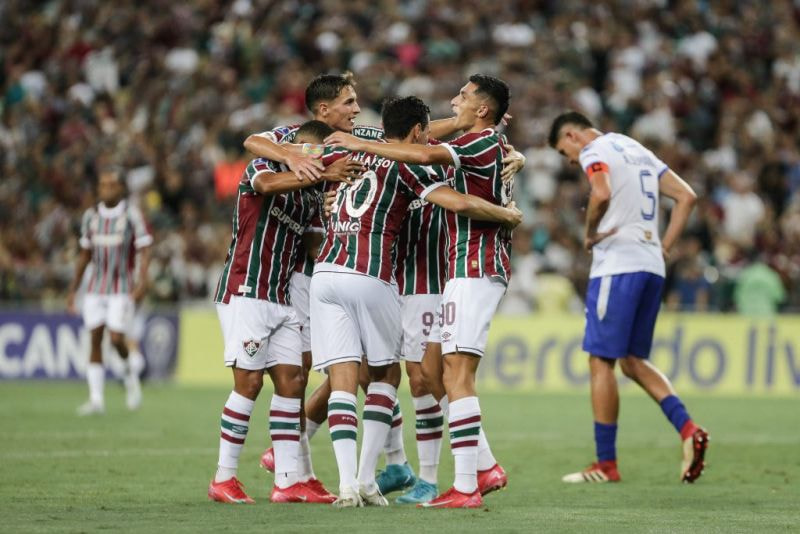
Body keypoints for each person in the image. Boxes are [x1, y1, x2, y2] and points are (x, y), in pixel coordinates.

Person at [253, 73, 526, 497]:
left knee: (417, 374)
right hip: (394, 275)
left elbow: (441, 149)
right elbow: (256, 142)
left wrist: (504, 166)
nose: (356, 110)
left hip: (410, 274)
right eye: (349, 102)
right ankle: (400, 469)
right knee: (398, 373)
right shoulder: (337, 143)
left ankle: (423, 474)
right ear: (324, 111)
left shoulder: (370, 149)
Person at [326, 74, 515, 508]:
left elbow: (433, 156)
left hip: (462, 270)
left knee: (444, 375)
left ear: (482, 109)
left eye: (463, 97)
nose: (455, 102)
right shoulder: (484, 146)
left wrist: (364, 146)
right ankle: (470, 473)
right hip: (445, 272)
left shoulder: (469, 147)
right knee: (437, 373)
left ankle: (460, 481)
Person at [547, 111, 709, 484]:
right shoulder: (637, 149)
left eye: (564, 151)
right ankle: (689, 429)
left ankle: (606, 464)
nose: (571, 161)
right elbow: (687, 197)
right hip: (651, 266)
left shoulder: (594, 149)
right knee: (633, 361)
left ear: (572, 135)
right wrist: (664, 247)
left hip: (617, 266)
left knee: (601, 361)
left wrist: (589, 232)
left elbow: (600, 192)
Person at [207, 120, 360, 504]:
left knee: (293, 381)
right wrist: (320, 174)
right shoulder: (264, 167)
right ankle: (223, 478)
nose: (318, 161)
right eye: (315, 154)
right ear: (299, 149)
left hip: (282, 296)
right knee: (249, 384)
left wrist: (334, 214)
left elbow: (312, 245)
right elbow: (265, 188)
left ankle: (289, 481)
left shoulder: (309, 196)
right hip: (247, 290)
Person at [67, 168, 151, 415]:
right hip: (95, 288)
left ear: (121, 188)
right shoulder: (90, 216)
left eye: (112, 184)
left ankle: (130, 378)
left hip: (122, 287)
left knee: (115, 338)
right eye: (103, 185)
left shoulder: (131, 215)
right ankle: (96, 400)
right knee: (94, 339)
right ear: (98, 188)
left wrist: (142, 281)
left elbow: (144, 249)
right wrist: (73, 289)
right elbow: (84, 255)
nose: (108, 189)